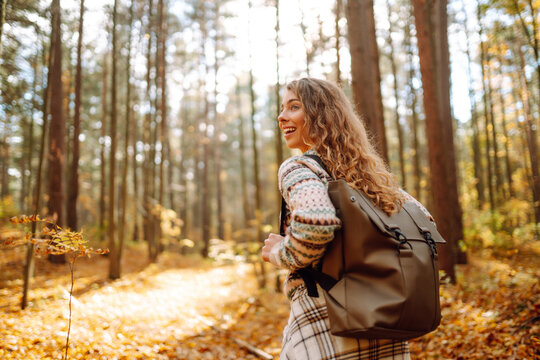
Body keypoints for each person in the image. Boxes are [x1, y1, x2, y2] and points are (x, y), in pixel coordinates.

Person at [261, 78, 425, 359]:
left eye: (294, 107)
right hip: (385, 322)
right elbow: (424, 223)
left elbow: (316, 222)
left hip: (328, 326)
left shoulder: (298, 167)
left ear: (319, 115)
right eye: (282, 108)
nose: (281, 116)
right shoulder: (370, 177)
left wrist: (279, 252)